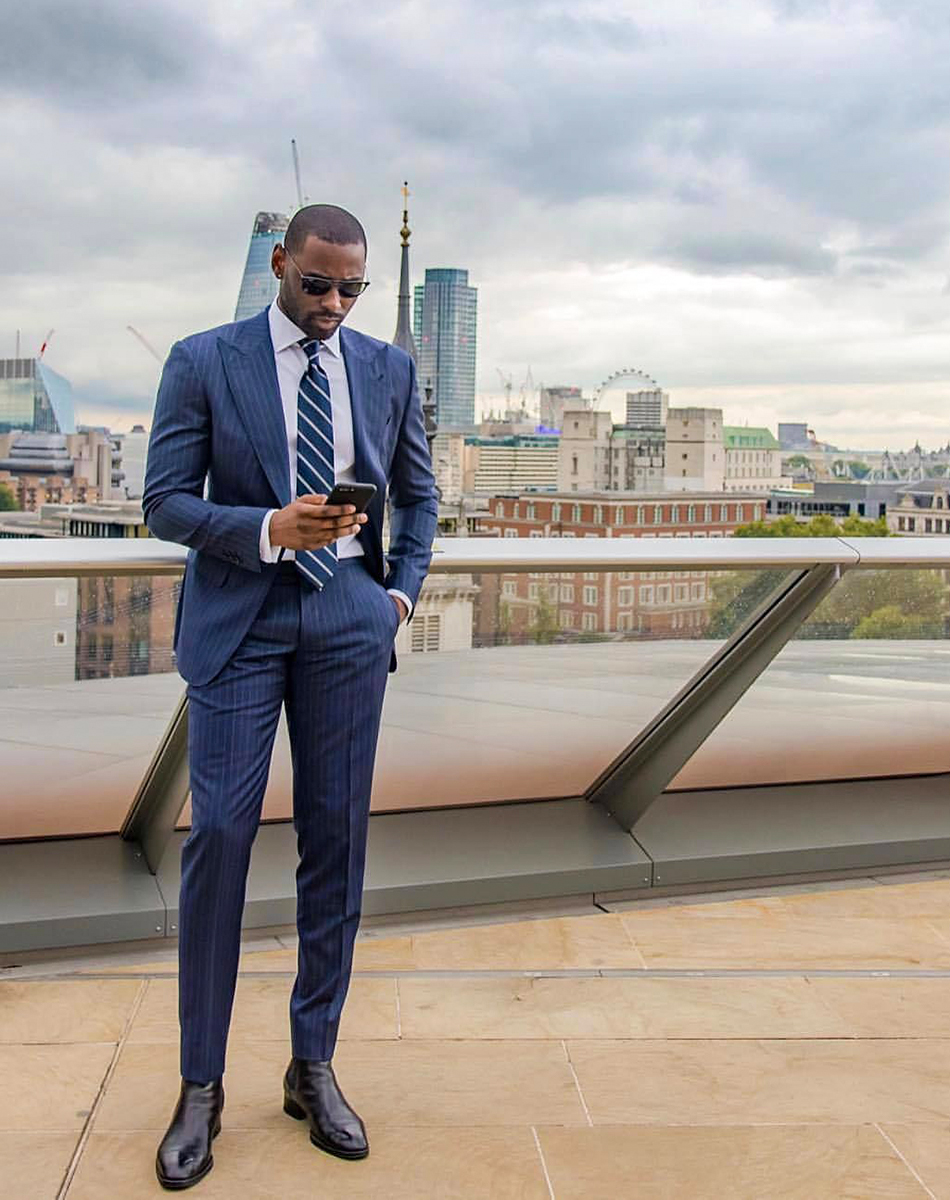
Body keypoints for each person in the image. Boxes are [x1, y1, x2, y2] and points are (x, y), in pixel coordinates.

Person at [143, 203, 438, 1190]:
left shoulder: (388, 369)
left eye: (350, 290)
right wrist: (267, 527)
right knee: (220, 834)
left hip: (349, 621)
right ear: (280, 264)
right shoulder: (202, 358)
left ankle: (312, 1067)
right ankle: (200, 1086)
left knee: (335, 837)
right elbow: (163, 502)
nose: (333, 304)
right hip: (240, 619)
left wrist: (395, 595)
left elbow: (419, 492)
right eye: (317, 284)